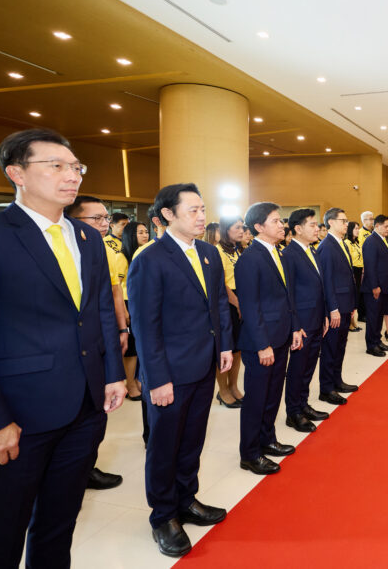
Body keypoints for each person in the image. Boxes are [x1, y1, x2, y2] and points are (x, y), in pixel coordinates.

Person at [0, 128, 126, 567]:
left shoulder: (89, 238)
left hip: (84, 407)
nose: (71, 175)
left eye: (76, 167)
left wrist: (112, 371)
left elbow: (96, 313)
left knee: (58, 525)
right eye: (55, 165)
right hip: (15, 414)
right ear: (16, 172)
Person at [127, 183, 233, 558]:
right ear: (167, 215)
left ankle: (187, 500)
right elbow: (144, 323)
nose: (202, 217)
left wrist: (225, 346)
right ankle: (163, 516)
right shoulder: (150, 258)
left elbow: (219, 303)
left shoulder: (208, 252)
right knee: (164, 445)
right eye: (193, 210)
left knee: (192, 439)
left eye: (203, 209)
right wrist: (156, 378)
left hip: (204, 363)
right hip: (169, 370)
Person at [66, 195, 131, 491]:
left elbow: (112, 295)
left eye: (106, 218)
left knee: (94, 413)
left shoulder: (102, 249)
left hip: (97, 337)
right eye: (97, 219)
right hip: (67, 345)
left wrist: (121, 327)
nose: (104, 224)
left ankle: (85, 465)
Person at [235, 202, 303, 475]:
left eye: (280, 220)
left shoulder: (279, 253)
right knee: (257, 397)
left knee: (274, 393)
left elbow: (289, 297)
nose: (281, 225)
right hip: (261, 342)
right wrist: (263, 344)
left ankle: (268, 439)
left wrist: (295, 327)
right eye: (275, 221)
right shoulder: (250, 259)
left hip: (281, 334)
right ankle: (250, 453)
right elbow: (250, 306)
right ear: (259, 227)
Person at [282, 208, 331, 433]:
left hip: (316, 319)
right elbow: (289, 293)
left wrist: (325, 315)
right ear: (298, 229)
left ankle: (303, 404)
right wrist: (295, 325)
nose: (317, 228)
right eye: (312, 225)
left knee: (309, 365)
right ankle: (293, 412)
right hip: (301, 322)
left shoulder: (313, 251)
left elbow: (319, 286)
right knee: (298, 368)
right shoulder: (289, 254)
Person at [315, 208, 359, 407]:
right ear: (331, 222)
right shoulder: (326, 246)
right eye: (343, 220)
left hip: (345, 304)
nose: (346, 224)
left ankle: (337, 380)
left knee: (340, 346)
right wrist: (332, 308)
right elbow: (327, 281)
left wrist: (351, 305)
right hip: (335, 307)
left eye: (347, 220)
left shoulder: (341, 244)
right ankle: (326, 389)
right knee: (331, 348)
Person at [215, 216, 246, 409]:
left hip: (241, 299)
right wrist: (237, 304)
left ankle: (234, 386)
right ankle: (223, 390)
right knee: (226, 349)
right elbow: (222, 284)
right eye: (237, 227)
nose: (242, 230)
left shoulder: (238, 250)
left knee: (238, 349)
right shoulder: (217, 251)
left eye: (243, 227)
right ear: (227, 230)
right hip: (227, 303)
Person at [120, 221, 150, 399]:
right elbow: (116, 287)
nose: (145, 235)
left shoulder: (146, 254)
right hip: (126, 303)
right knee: (130, 348)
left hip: (141, 302)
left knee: (140, 346)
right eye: (140, 232)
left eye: (146, 231)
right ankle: (129, 384)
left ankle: (138, 380)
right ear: (130, 235)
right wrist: (124, 312)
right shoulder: (121, 257)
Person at [361, 215, 388, 357]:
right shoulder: (371, 241)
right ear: (377, 226)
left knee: (379, 316)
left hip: (384, 287)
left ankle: (377, 340)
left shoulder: (382, 240)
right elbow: (370, 266)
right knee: (373, 317)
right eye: (385, 226)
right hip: (374, 288)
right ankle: (371, 345)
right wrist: (375, 286)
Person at [346, 221, 364, 332]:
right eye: (355, 228)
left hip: (359, 271)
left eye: (358, 228)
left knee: (356, 297)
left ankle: (354, 322)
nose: (357, 230)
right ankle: (350, 324)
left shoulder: (357, 242)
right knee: (352, 297)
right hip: (353, 270)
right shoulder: (347, 242)